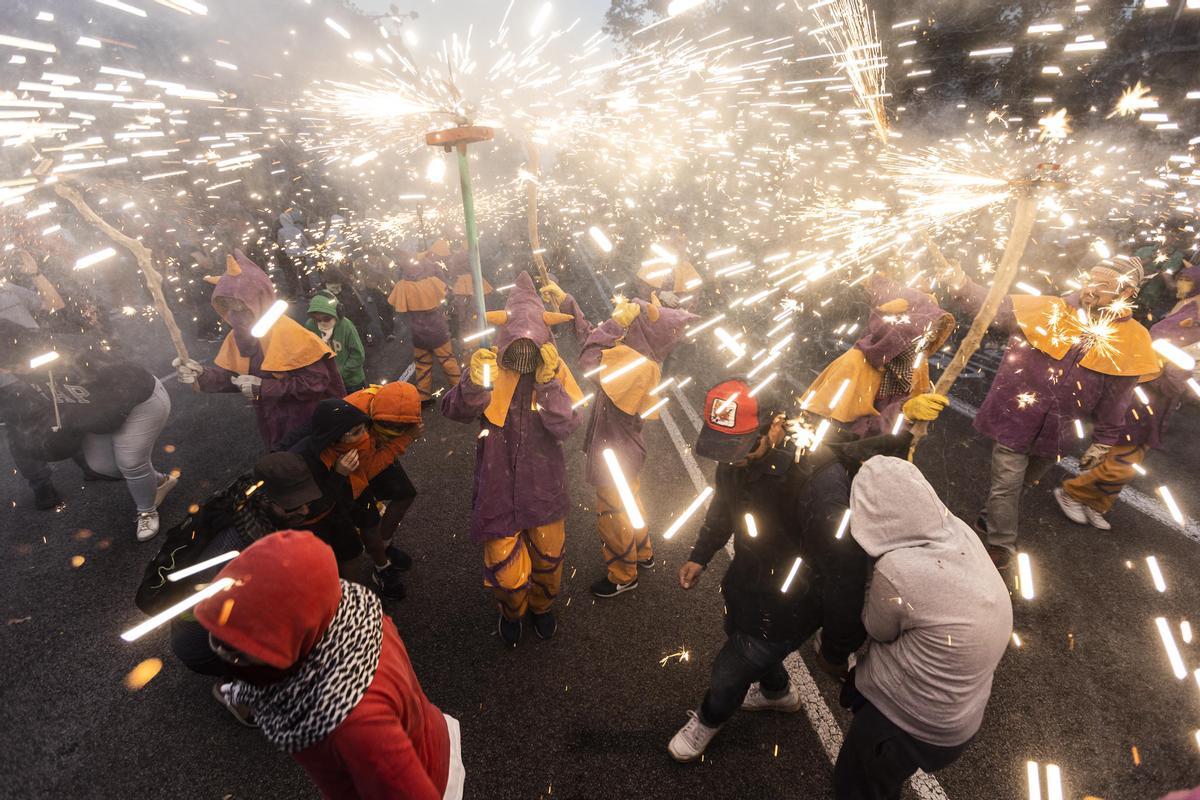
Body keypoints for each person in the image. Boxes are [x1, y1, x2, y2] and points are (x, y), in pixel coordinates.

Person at [667, 378, 948, 762]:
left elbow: (844, 574)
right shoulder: (735, 461)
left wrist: (835, 648)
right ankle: (776, 692)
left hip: (792, 601)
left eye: (742, 447)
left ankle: (709, 718)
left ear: (777, 423)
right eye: (724, 448)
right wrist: (701, 554)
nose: (732, 459)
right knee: (736, 631)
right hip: (748, 581)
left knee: (730, 669)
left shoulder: (818, 481)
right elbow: (724, 506)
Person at [193, 530, 465, 800]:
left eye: (242, 650)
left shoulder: (354, 727)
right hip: (427, 735)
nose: (227, 656)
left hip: (431, 778)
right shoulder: (348, 610)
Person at [945, 256, 1159, 569]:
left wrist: (1103, 441)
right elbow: (999, 308)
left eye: (1103, 285)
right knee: (1006, 486)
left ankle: (989, 519)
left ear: (1126, 294)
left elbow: (1118, 398)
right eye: (1090, 279)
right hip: (1016, 418)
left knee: (1023, 483)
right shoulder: (1053, 308)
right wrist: (962, 285)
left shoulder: (1134, 339)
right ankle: (1001, 545)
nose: (1090, 289)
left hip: (1059, 432)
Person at [833, 455, 1012, 799]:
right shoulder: (960, 533)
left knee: (857, 787)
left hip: (904, 722)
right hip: (960, 717)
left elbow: (876, 627)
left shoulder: (899, 569)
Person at [442, 271, 584, 645]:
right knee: (506, 572)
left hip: (544, 486)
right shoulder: (488, 365)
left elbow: (567, 425)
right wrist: (473, 383)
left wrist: (550, 384)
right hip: (498, 485)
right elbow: (453, 411)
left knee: (549, 559)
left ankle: (542, 606)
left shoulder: (556, 370)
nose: (524, 351)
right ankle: (511, 610)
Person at [136, 452, 355, 692]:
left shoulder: (247, 498)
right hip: (203, 643)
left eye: (305, 500)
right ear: (265, 501)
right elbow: (230, 615)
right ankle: (234, 691)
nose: (304, 510)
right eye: (293, 505)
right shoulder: (233, 551)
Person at [1054, 261, 1200, 529]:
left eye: (1184, 280)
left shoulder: (1193, 309)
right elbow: (1157, 341)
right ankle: (1073, 493)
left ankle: (1096, 503)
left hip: (1161, 400)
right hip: (1147, 393)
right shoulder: (1192, 313)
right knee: (1123, 456)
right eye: (1181, 279)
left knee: (1132, 457)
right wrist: (1176, 375)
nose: (1180, 285)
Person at [575, 293, 697, 598]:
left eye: (635, 319)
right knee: (631, 505)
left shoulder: (634, 366)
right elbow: (595, 340)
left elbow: (590, 358)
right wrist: (569, 305)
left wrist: (616, 323)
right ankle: (643, 552)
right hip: (626, 454)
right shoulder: (640, 357)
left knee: (613, 517)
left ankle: (622, 574)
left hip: (614, 458)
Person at [5, 333, 176, 541]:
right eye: (10, 368)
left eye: (16, 365)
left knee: (130, 462)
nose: (15, 371)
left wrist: (99, 420)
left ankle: (147, 511)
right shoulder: (23, 373)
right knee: (102, 466)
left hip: (139, 402)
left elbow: (124, 381)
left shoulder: (69, 352)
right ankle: (159, 481)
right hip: (94, 414)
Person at [174, 250, 344, 449]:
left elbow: (316, 383)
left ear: (258, 296)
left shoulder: (291, 333)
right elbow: (236, 380)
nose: (236, 311)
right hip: (271, 421)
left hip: (307, 423)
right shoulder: (239, 335)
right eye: (228, 303)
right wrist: (201, 375)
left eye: (241, 303)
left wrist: (263, 388)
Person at [281, 397, 420, 600]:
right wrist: (339, 475)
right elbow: (321, 505)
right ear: (333, 438)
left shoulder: (354, 432)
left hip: (355, 488)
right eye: (355, 433)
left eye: (364, 428)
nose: (365, 436)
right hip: (330, 507)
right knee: (342, 552)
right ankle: (350, 598)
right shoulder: (309, 461)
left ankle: (382, 567)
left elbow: (366, 470)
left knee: (366, 530)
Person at [801, 273, 956, 436]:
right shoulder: (853, 366)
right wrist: (903, 412)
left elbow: (906, 432)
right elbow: (841, 440)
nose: (927, 341)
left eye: (932, 334)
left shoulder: (916, 366)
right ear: (897, 333)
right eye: (922, 333)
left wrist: (918, 414)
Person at [344, 382, 425, 596]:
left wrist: (396, 437)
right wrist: (403, 440)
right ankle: (381, 567)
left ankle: (384, 545)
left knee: (405, 494)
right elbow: (367, 472)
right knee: (368, 521)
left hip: (375, 451)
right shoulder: (356, 426)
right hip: (348, 471)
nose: (396, 432)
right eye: (391, 428)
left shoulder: (394, 403)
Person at [389, 246, 461, 404]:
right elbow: (448, 296)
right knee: (448, 361)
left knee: (422, 365)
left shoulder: (402, 285)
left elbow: (400, 311)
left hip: (418, 332)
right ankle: (459, 392)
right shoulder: (432, 281)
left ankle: (423, 396)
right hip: (438, 330)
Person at [305, 292, 367, 393]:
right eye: (317, 320)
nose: (322, 323)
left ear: (337, 313)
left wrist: (340, 373)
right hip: (328, 382)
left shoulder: (346, 326)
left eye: (326, 318)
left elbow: (358, 355)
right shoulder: (310, 326)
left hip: (352, 382)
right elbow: (310, 352)